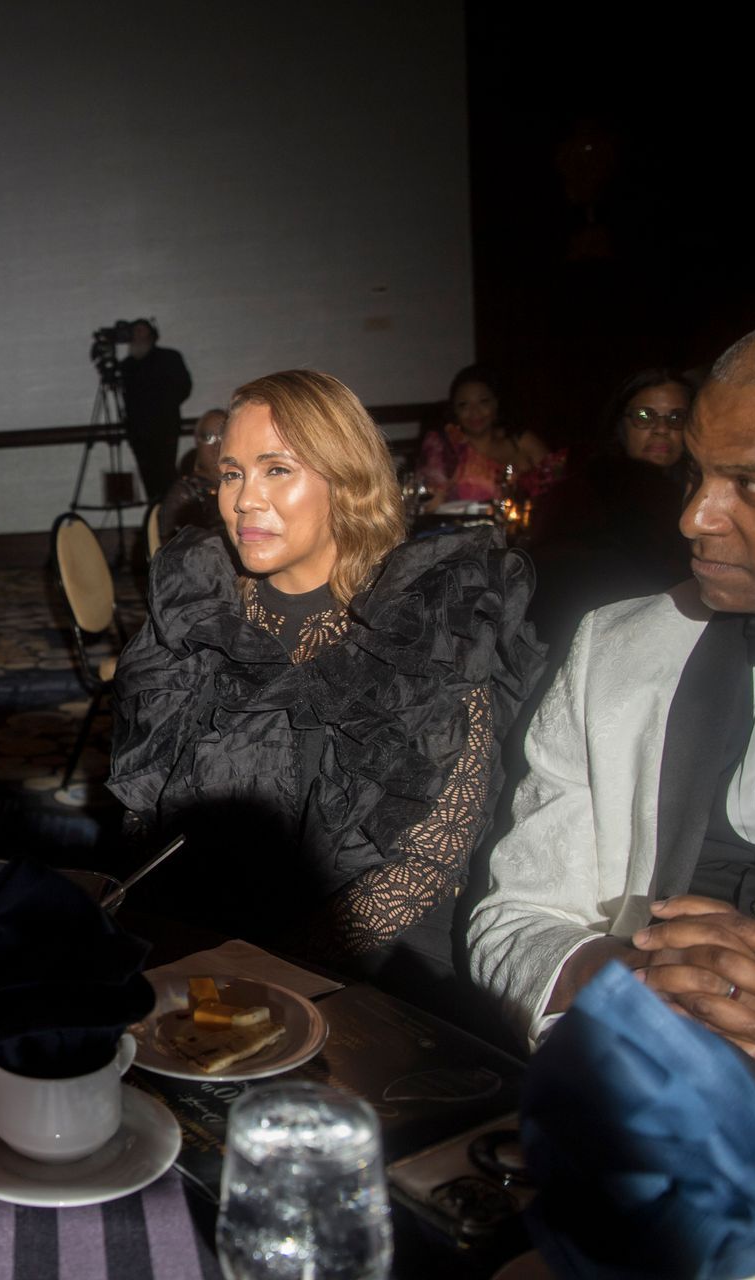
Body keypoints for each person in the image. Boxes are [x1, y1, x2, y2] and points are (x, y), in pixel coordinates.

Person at [468, 302, 755, 1243]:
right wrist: (621, 981)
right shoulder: (619, 647)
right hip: (643, 1159)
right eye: (694, 474)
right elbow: (515, 921)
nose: (692, 517)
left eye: (752, 483)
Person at [109, 370, 543, 1006]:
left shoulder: (423, 616)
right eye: (232, 474)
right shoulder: (201, 610)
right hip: (208, 941)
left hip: (372, 960)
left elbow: (431, 852)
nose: (244, 500)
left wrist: (272, 968)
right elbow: (145, 808)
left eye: (276, 469)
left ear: (347, 478)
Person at [526, 368, 695, 650]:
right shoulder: (588, 490)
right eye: (645, 417)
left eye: (676, 418)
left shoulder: (699, 487)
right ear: (621, 423)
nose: (662, 430)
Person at [417, 365, 562, 505]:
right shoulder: (444, 448)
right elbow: (428, 505)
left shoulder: (520, 440)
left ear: (496, 404)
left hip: (529, 525)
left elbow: (559, 488)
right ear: (454, 412)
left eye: (483, 402)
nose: (474, 412)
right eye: (464, 405)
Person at [118, 320, 193, 505]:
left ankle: (172, 520)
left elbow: (183, 387)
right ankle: (155, 518)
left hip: (164, 428)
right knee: (148, 479)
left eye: (141, 331)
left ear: (152, 335)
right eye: (134, 331)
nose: (137, 335)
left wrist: (162, 407)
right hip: (138, 432)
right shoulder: (127, 365)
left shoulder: (169, 358)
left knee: (167, 476)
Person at [157, 407, 227, 545]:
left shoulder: (244, 485)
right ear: (197, 442)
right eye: (208, 437)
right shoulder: (184, 492)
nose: (216, 445)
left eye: (223, 436)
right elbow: (168, 551)